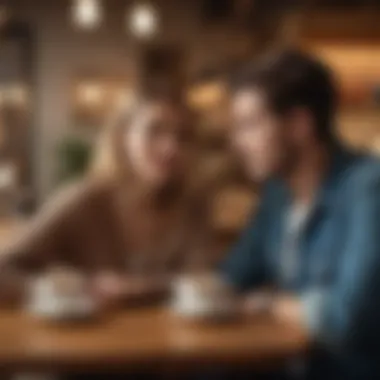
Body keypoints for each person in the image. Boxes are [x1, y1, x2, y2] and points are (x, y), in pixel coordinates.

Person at [221, 49, 380, 379]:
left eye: (249, 125)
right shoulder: (278, 194)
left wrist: (271, 304)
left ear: (299, 125)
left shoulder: (368, 189)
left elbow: (343, 320)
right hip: (287, 364)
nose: (238, 143)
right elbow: (232, 275)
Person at [0, 90, 214, 307]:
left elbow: (201, 280)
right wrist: (77, 289)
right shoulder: (84, 199)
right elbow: (4, 271)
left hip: (171, 338)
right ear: (122, 137)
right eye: (154, 131)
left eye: (183, 136)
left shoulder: (193, 204)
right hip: (90, 337)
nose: (171, 148)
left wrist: (141, 287)